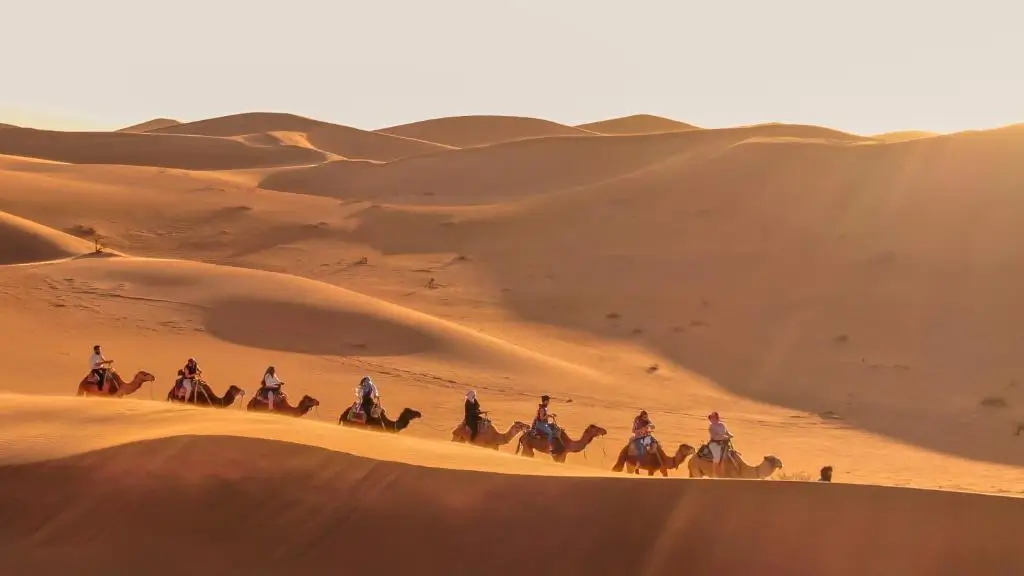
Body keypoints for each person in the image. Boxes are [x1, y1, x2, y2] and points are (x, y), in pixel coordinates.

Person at [707, 411, 733, 478]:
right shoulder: (711, 427)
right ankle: (714, 474)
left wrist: (730, 435)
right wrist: (724, 437)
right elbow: (715, 436)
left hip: (724, 443)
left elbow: (727, 432)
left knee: (732, 454)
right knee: (717, 458)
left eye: (715, 417)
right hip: (715, 444)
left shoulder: (722, 425)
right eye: (712, 418)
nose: (713, 419)